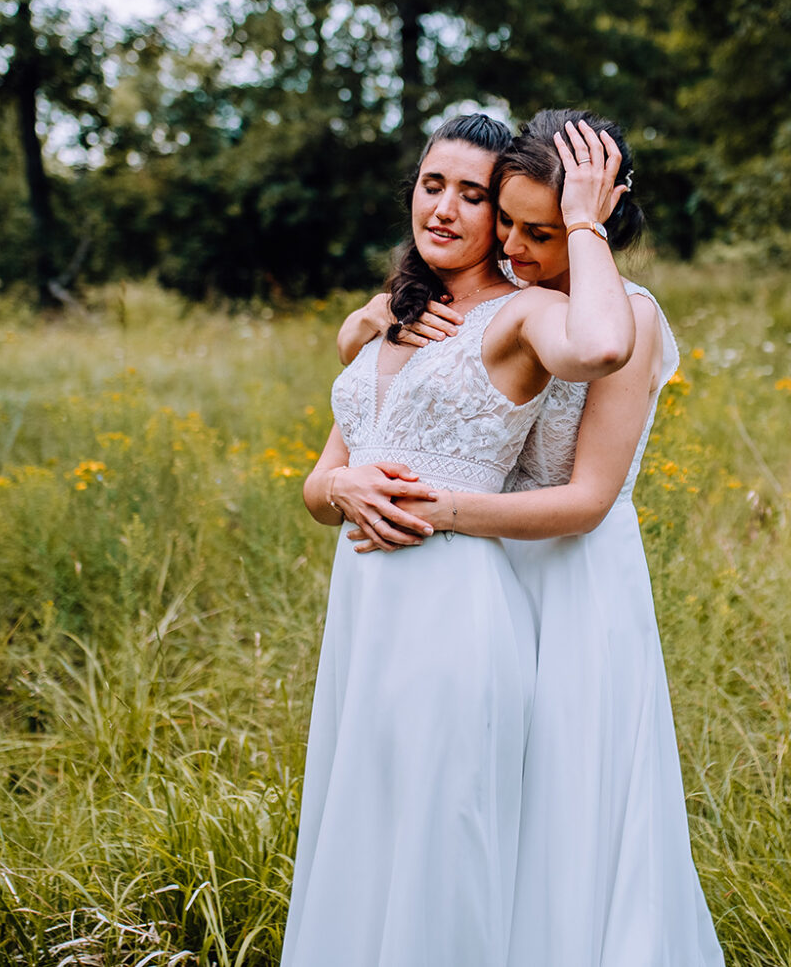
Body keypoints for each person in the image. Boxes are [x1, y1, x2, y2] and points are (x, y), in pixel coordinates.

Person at [335, 109, 724, 967]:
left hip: (575, 578)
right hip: (489, 573)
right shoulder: (512, 304)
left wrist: (438, 511)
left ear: (595, 222)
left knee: (569, 816)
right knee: (486, 811)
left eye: (538, 230)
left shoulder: (625, 313)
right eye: (504, 220)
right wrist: (368, 322)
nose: (511, 244)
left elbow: (584, 500)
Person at [285, 113, 638, 967]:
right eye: (430, 184)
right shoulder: (399, 317)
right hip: (364, 618)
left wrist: (584, 221)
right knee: (364, 830)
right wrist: (341, 484)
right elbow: (319, 485)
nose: (442, 208)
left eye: (472, 195)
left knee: (443, 841)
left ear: (506, 215)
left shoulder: (527, 314)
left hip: (454, 611)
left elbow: (599, 344)